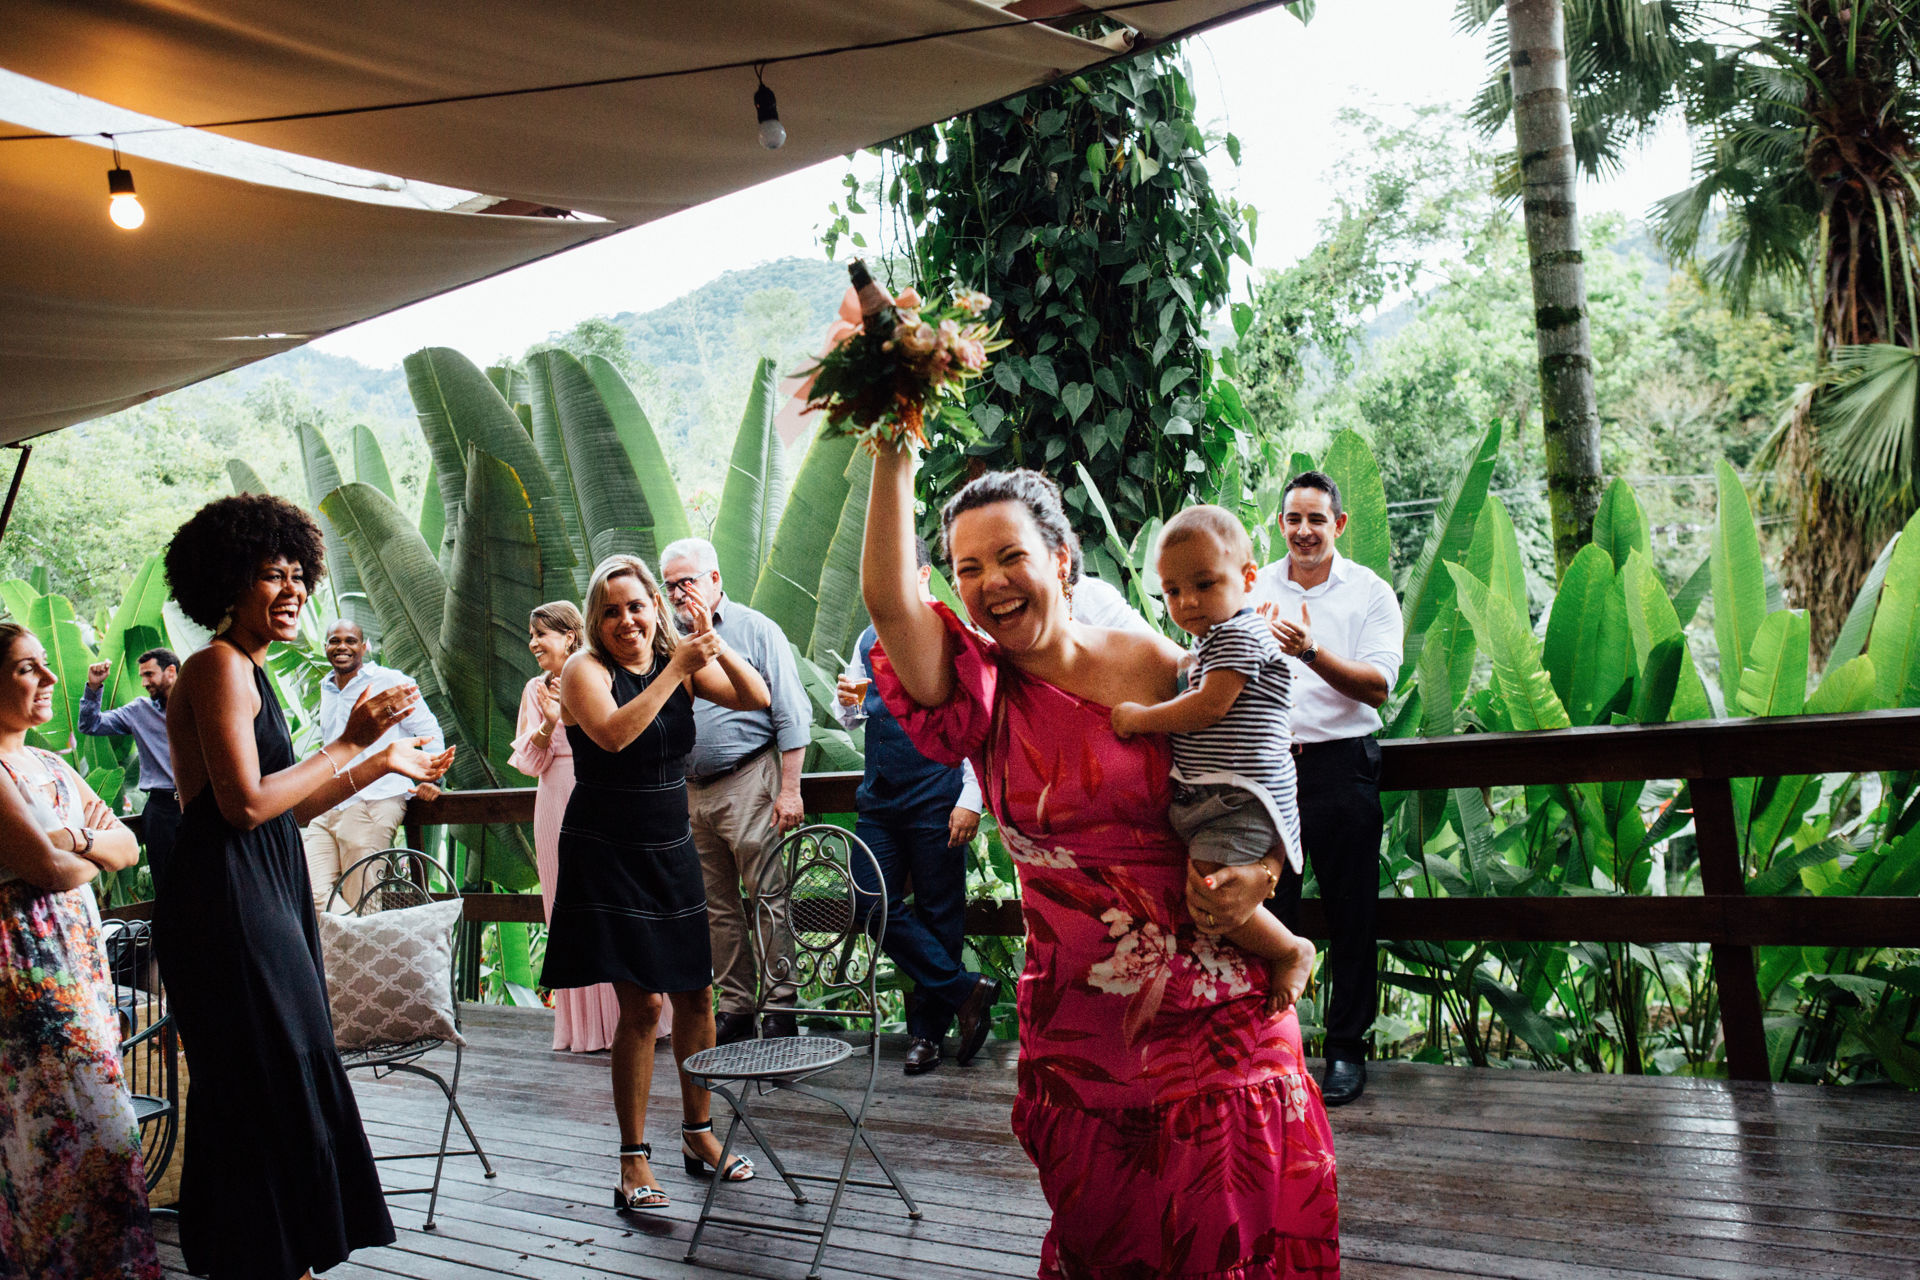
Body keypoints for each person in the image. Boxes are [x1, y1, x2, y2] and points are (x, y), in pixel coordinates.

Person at [861, 449, 1339, 1279]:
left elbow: (1254, 759)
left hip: (1219, 1008)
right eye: (969, 569)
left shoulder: (1157, 664)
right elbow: (889, 600)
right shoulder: (977, 692)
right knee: (1116, 1249)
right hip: (1084, 1031)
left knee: (1236, 1236)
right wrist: (894, 449)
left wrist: (1263, 868)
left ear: (1060, 559)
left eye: (1011, 556)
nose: (993, 581)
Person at [155, 493, 455, 1280]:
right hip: (225, 898)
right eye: (268, 574)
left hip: (257, 881)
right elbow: (243, 805)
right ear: (227, 581)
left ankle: (287, 1258)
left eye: (297, 574)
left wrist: (380, 761)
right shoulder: (215, 665)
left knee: (283, 1068)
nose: (290, 590)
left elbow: (281, 807)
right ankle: (264, 1259)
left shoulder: (246, 667)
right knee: (264, 1074)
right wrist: (352, 738)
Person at [541, 555, 768, 1214]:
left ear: (655, 608)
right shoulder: (584, 670)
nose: (626, 620)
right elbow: (613, 736)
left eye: (637, 606)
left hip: (670, 846)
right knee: (641, 1007)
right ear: (595, 619)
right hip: (609, 850)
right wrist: (677, 666)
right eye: (611, 610)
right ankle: (632, 1158)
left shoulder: (680, 664)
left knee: (698, 995)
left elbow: (756, 698)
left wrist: (710, 645)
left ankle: (699, 1135)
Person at [1110, 505, 1317, 1017]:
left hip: (1240, 797)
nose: (1187, 602)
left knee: (1211, 895)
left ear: (1248, 578)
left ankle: (1289, 948)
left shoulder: (1244, 635)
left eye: (1204, 584)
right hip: (1217, 794)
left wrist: (1140, 718)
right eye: (1173, 591)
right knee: (1207, 890)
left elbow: (1209, 706)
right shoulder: (1212, 642)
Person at [0, 621, 160, 1280]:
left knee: (94, 1126)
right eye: (24, 668)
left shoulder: (49, 764)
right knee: (54, 1131)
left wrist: (70, 839)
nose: (47, 678)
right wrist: (78, 844)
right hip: (27, 966)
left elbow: (128, 846)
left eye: (45, 664)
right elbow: (51, 870)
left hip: (79, 960)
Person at [1241, 469, 1403, 1107]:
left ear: (1337, 525)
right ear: (1280, 525)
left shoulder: (1369, 592)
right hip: (1269, 769)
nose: (1303, 530)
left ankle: (1345, 1050)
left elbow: (1377, 686)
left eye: (1316, 519)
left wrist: (1310, 652)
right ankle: (1277, 1048)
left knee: (1350, 910)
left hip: (1342, 766)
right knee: (1269, 910)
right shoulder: (1255, 587)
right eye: (1292, 519)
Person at [834, 536, 996, 1076]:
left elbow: (977, 723)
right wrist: (844, 705)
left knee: (940, 911)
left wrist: (971, 799)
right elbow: (857, 718)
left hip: (937, 791)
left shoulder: (949, 635)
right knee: (865, 900)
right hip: (878, 797)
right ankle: (964, 991)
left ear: (924, 575)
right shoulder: (865, 638)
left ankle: (927, 1034)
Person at [657, 537, 812, 1045]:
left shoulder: (755, 629)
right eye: (670, 584)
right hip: (689, 791)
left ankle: (781, 1008)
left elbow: (789, 711)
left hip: (749, 780)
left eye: (688, 582)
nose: (679, 593)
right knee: (715, 907)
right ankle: (737, 1008)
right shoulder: (666, 642)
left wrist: (789, 790)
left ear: (715, 579)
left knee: (768, 896)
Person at [509, 600, 652, 1054]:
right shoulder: (536, 689)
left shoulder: (600, 674)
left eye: (541, 634)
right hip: (554, 796)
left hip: (604, 793)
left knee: (615, 902)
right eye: (531, 635)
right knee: (567, 908)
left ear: (570, 636)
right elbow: (530, 763)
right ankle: (589, 1027)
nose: (533, 643)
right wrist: (548, 721)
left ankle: (639, 1015)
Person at [79, 647, 181, 892]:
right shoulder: (138, 711)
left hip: (202, 805)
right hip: (162, 809)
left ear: (170, 671)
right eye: (141, 676)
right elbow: (90, 724)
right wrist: (94, 687)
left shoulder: (202, 704)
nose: (144, 682)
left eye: (149, 674)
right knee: (168, 885)